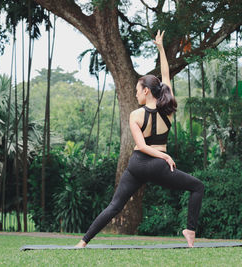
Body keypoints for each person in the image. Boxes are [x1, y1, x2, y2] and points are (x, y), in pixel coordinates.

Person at [75, 30, 204, 248]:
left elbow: (141, 146)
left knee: (115, 206)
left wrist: (161, 48)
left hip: (137, 164)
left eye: (137, 90)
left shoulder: (136, 115)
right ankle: (190, 231)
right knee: (197, 187)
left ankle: (82, 243)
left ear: (146, 91)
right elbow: (166, 76)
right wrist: (164, 157)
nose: (135, 94)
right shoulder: (168, 112)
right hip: (157, 165)